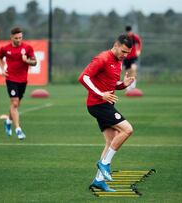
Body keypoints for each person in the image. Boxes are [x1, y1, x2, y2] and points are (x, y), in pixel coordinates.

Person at [78, 34, 135, 192]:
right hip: (99, 105)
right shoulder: (102, 58)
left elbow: (110, 83)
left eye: (127, 53)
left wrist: (123, 85)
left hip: (105, 103)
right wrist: (100, 94)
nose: (125, 55)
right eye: (123, 51)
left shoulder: (119, 61)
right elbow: (84, 78)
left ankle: (98, 181)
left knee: (110, 142)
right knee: (127, 129)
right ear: (115, 45)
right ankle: (104, 164)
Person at [0, 27, 37, 140]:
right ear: (11, 37)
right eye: (16, 38)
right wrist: (2, 68)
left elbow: (34, 62)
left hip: (23, 80)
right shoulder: (5, 49)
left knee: (16, 104)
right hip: (11, 79)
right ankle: (18, 130)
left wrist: (27, 61)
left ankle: (8, 121)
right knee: (14, 103)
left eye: (20, 37)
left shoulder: (27, 48)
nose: (19, 40)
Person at [123, 25, 142, 91]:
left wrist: (139, 50)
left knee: (133, 69)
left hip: (133, 56)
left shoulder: (134, 37)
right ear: (126, 32)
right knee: (127, 72)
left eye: (130, 32)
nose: (129, 33)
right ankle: (128, 87)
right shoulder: (124, 38)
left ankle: (133, 86)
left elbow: (139, 42)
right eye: (128, 32)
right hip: (126, 57)